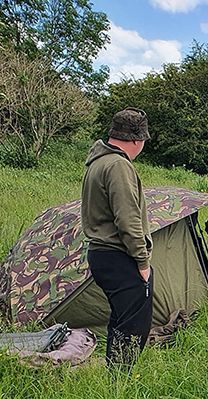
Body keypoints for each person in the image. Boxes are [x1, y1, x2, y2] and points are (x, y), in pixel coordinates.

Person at [81, 107, 152, 368]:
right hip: (119, 255)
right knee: (135, 325)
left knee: (121, 319)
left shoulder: (97, 162)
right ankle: (120, 383)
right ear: (137, 139)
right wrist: (143, 263)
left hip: (101, 254)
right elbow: (128, 220)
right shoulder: (118, 165)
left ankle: (114, 373)